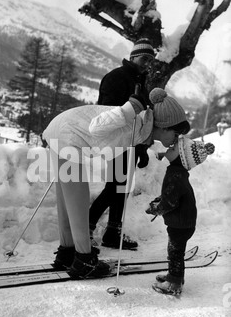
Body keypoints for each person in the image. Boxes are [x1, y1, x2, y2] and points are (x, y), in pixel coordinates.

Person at [43, 88, 191, 280]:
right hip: (68, 136)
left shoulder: (141, 128)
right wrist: (128, 109)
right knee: (77, 202)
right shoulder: (134, 120)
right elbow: (96, 126)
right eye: (176, 133)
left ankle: (67, 253)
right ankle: (84, 261)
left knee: (66, 202)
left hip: (62, 133)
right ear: (164, 126)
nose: (177, 139)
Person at [90, 38, 156, 250]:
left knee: (122, 188)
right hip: (116, 142)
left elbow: (141, 121)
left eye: (151, 60)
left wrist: (142, 148)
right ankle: (85, 227)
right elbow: (105, 114)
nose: (148, 63)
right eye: (145, 58)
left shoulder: (141, 83)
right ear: (134, 56)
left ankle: (113, 233)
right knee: (114, 188)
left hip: (131, 145)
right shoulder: (116, 78)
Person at [146, 136, 215, 295]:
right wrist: (160, 201)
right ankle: (174, 276)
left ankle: (174, 283)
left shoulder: (175, 175)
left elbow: (169, 202)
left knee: (175, 253)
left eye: (173, 148)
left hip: (180, 224)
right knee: (175, 251)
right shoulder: (178, 172)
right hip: (183, 222)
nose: (169, 147)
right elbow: (171, 196)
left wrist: (156, 209)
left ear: (181, 156)